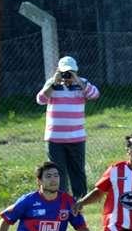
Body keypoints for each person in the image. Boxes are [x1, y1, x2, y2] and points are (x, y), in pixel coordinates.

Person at [36, 55, 100, 198]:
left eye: (70, 72)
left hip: (76, 137)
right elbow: (40, 99)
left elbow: (95, 95)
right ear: (58, 71)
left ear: (76, 71)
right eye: (65, 72)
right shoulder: (52, 83)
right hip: (55, 138)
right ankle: (60, 200)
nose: (67, 76)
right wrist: (54, 83)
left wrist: (77, 80)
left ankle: (80, 201)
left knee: (77, 171)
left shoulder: (83, 83)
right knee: (57, 173)